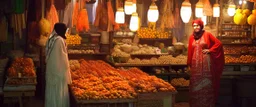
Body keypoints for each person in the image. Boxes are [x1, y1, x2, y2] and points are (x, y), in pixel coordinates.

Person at [187, 19, 224, 107]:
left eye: (198, 25)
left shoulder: (207, 34)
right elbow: (190, 51)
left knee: (207, 82)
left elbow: (219, 43)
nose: (196, 27)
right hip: (195, 64)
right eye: (194, 26)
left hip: (206, 64)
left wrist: (210, 50)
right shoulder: (191, 37)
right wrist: (189, 64)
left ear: (201, 26)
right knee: (195, 82)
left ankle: (207, 104)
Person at [45, 23, 72, 107]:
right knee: (58, 91)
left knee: (52, 91)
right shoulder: (59, 40)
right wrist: (68, 68)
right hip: (58, 71)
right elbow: (63, 57)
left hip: (51, 68)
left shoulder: (51, 38)